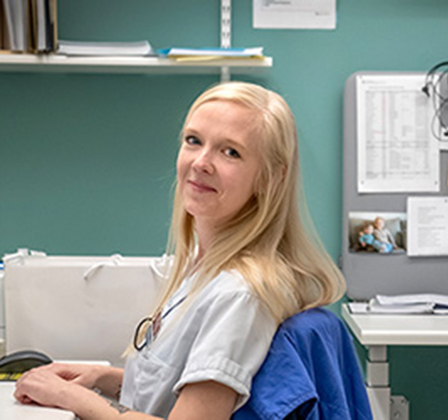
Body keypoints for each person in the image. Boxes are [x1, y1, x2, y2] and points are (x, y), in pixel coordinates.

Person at [13, 82, 346, 419]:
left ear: (270, 178)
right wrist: (103, 378)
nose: (201, 162)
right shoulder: (206, 268)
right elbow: (182, 386)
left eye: (230, 152)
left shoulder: (239, 294)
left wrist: (73, 400)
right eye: (194, 141)